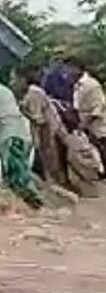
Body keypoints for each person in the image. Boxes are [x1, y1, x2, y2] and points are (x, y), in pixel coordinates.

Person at [66, 56, 106, 181]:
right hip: (87, 128)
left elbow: (99, 108)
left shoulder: (91, 85)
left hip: (99, 128)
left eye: (69, 68)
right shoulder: (77, 86)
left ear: (78, 68)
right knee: (97, 159)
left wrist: (84, 123)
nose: (67, 72)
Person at [17, 65, 69, 187]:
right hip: (50, 129)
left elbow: (39, 119)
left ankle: (51, 184)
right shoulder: (31, 92)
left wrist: (23, 111)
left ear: (23, 79)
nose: (13, 83)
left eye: (15, 79)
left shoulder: (33, 92)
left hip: (50, 130)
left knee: (47, 158)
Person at [0, 80, 43, 208]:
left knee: (17, 176)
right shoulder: (4, 90)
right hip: (18, 134)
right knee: (18, 174)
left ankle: (35, 206)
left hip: (11, 137)